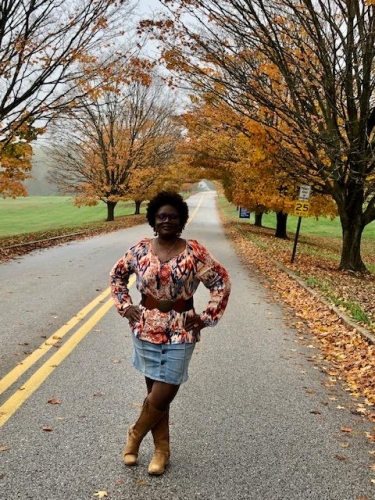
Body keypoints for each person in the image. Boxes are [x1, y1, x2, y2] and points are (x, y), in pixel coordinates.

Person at [110, 191, 231, 475]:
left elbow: (221, 283)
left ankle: (135, 434)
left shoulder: (195, 252)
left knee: (164, 391)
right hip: (146, 326)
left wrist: (206, 317)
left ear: (181, 221)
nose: (167, 220)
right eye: (162, 216)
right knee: (155, 392)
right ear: (153, 219)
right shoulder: (140, 249)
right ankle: (161, 451)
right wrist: (124, 305)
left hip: (181, 326)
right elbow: (117, 275)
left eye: (173, 217)